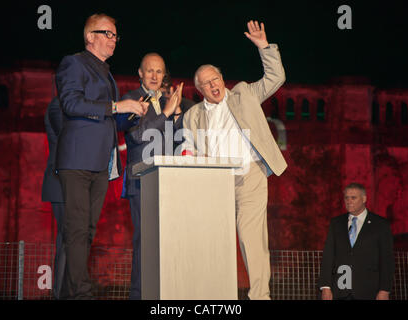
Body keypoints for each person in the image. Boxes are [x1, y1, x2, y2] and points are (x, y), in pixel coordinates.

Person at [181, 20, 287, 300]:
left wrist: (264, 46)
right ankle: (215, 297)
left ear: (222, 78)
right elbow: (188, 148)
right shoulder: (192, 116)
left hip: (249, 176)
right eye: (205, 83)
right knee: (214, 241)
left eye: (214, 79)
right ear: (199, 90)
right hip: (214, 183)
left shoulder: (245, 94)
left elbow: (276, 78)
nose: (212, 85)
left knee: (251, 240)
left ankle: (259, 296)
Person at [54, 13, 148, 299]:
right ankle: (80, 292)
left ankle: (72, 291)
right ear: (90, 37)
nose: (113, 40)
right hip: (78, 160)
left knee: (88, 229)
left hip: (101, 164)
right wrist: (117, 105)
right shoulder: (74, 63)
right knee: (77, 228)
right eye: (107, 33)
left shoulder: (107, 75)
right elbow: (71, 103)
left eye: (115, 35)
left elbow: (109, 119)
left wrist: (129, 116)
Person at [114, 53, 183, 299]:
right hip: (141, 183)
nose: (155, 76)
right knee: (145, 244)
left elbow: (179, 142)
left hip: (168, 184)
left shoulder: (169, 101)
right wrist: (166, 113)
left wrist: (175, 116)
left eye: (160, 71)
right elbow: (138, 136)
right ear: (140, 73)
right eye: (150, 71)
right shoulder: (130, 99)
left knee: (168, 244)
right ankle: (139, 295)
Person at [318, 183, 395, 300]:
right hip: (340, 291)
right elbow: (328, 256)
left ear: (364, 199)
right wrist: (325, 287)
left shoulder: (381, 225)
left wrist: (384, 290)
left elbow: (386, 259)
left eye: (353, 197)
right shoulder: (336, 223)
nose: (349, 201)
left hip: (369, 292)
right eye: (346, 198)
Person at [41, 96, 66, 299]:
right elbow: (66, 135)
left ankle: (64, 291)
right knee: (67, 238)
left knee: (70, 239)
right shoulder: (58, 105)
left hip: (68, 181)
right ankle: (60, 293)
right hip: (60, 181)